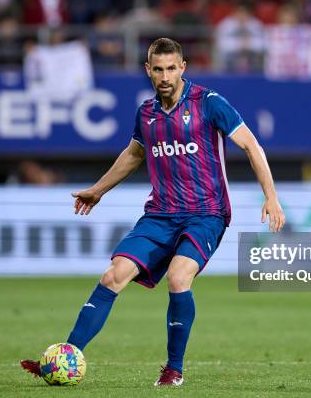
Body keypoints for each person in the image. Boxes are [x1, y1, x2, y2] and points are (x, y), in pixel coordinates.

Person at [20, 37, 285, 387]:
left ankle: (174, 369)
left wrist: (271, 196)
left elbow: (251, 145)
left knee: (178, 278)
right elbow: (133, 155)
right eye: (158, 69)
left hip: (206, 213)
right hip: (160, 215)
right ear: (148, 70)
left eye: (171, 68)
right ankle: (64, 357)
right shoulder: (146, 114)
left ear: (183, 68)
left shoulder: (209, 103)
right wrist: (97, 191)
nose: (165, 76)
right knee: (113, 275)